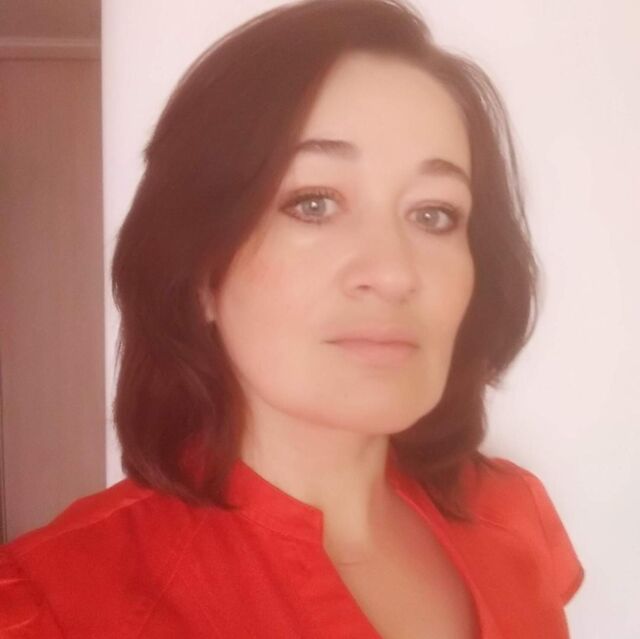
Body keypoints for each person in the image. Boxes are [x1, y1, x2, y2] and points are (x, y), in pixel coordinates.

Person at [0, 0, 584, 637]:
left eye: (434, 214)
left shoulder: (513, 516)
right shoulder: (59, 606)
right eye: (313, 203)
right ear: (200, 271)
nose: (394, 272)